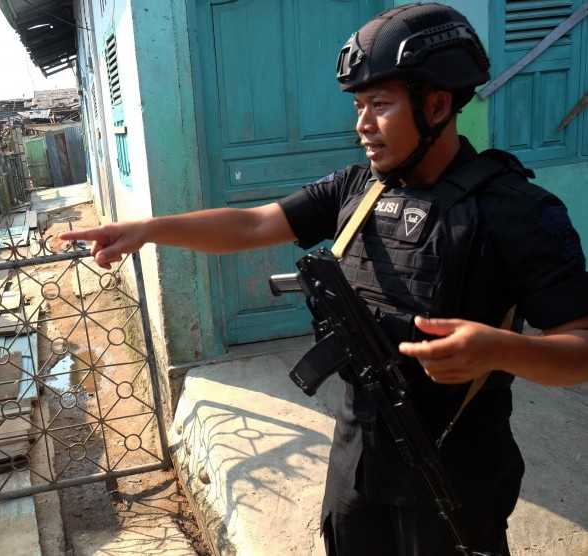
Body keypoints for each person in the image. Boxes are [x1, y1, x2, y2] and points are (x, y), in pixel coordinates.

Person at [60, 4, 588, 555]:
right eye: (359, 105)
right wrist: (149, 229)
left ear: (436, 104)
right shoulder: (358, 190)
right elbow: (253, 222)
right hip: (357, 457)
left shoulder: (516, 211)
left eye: (380, 105)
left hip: (455, 472)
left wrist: (500, 350)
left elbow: (580, 347)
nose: (362, 124)